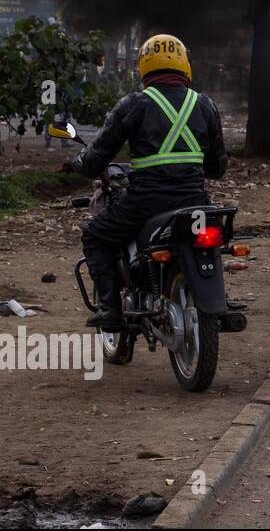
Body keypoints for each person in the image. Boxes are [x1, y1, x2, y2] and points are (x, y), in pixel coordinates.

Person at [67, 34, 227, 331]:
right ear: (184, 65)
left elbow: (92, 162)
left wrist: (76, 163)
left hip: (144, 204)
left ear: (144, 67)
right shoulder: (205, 105)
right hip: (195, 201)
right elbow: (217, 168)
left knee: (95, 235)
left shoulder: (133, 104)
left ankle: (110, 312)